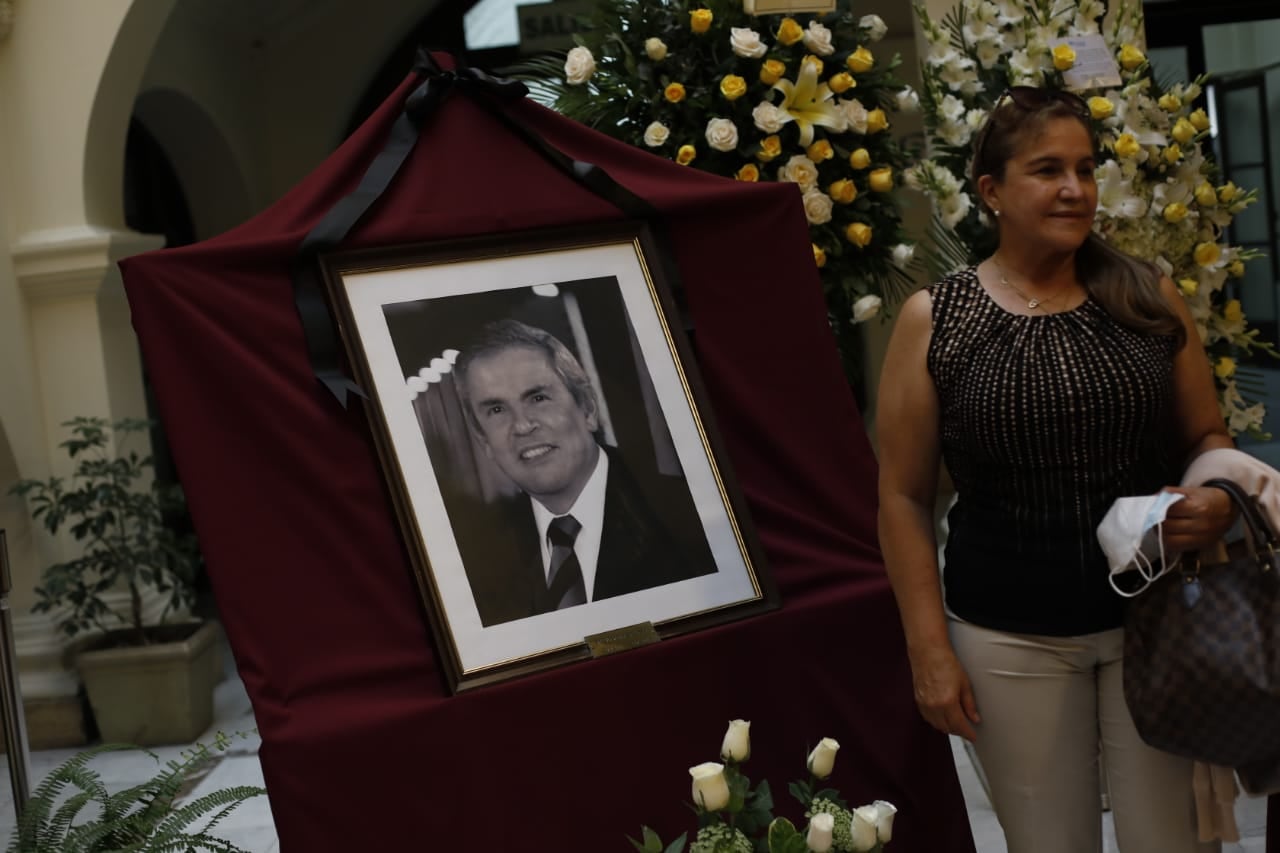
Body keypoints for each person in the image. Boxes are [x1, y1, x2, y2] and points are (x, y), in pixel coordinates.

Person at [876, 86, 1236, 853]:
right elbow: (903, 495)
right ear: (991, 191)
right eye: (1047, 169)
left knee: (1168, 843)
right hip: (1009, 636)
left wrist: (1216, 497)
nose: (1075, 189)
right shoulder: (938, 319)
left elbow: (1206, 432)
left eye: (1085, 168)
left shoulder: (1146, 294)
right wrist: (928, 648)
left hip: (1157, 620)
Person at [451, 318, 716, 626]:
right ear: (484, 441)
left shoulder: (692, 516)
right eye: (496, 410)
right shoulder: (476, 566)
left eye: (538, 398)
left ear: (588, 408)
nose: (522, 425)